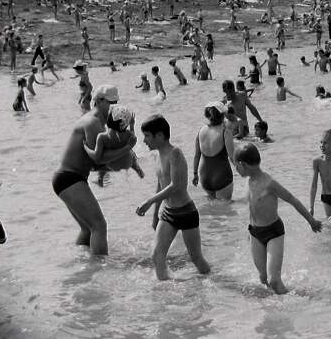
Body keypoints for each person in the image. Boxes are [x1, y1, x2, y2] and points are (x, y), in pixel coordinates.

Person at [52, 85, 132, 255]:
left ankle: (84, 266)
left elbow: (96, 160)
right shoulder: (93, 122)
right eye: (111, 102)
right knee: (99, 226)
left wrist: (110, 168)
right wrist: (127, 150)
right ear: (99, 101)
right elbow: (99, 158)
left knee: (88, 229)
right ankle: (102, 269)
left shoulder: (99, 122)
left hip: (67, 179)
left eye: (116, 102)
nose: (115, 106)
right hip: (69, 178)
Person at [234, 143, 322, 294]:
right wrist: (248, 233)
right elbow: (252, 208)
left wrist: (311, 221)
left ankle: (295, 303)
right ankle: (275, 309)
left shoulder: (269, 183)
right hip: (255, 233)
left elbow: (292, 199)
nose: (235, 169)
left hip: (273, 232)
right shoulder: (249, 181)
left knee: (274, 280)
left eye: (236, 165)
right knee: (263, 278)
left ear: (242, 164)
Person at [136, 114, 211, 280]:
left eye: (147, 136)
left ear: (160, 135)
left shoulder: (175, 153)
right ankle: (165, 291)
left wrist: (149, 201)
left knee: (196, 258)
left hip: (185, 212)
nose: (145, 140)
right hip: (168, 213)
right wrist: (155, 214)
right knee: (157, 255)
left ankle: (212, 282)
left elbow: (176, 186)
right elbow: (160, 184)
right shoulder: (157, 155)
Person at [82, 105, 144, 186]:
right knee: (132, 154)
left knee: (103, 154)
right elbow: (133, 139)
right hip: (127, 163)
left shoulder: (102, 137)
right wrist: (132, 125)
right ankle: (140, 172)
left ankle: (100, 179)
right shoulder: (128, 134)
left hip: (112, 166)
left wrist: (85, 147)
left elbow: (96, 156)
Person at [192, 102, 235, 200]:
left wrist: (195, 174)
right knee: (225, 210)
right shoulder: (225, 131)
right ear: (223, 115)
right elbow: (232, 156)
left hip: (204, 177)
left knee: (212, 209)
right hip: (222, 177)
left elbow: (197, 155)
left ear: (208, 115)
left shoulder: (201, 131)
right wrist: (243, 170)